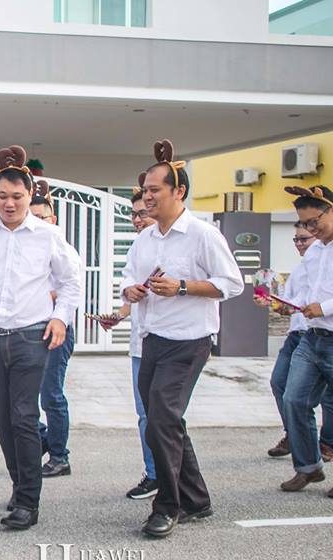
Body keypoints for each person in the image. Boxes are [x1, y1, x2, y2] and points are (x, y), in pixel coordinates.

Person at [0, 145, 80, 530]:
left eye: (17, 197)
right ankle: (20, 482)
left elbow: (71, 281)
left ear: (30, 196)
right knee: (2, 420)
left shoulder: (48, 235)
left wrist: (60, 319)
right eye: (3, 196)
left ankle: (28, 501)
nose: (9, 203)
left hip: (31, 339)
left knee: (24, 417)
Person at [120, 139, 243, 538]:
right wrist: (131, 292)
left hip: (190, 341)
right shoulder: (145, 239)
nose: (147, 197)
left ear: (179, 192)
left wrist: (183, 287)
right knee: (165, 420)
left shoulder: (203, 235)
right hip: (153, 339)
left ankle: (168, 506)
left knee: (160, 421)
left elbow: (232, 284)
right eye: (145, 190)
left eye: (155, 190)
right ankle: (198, 499)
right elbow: (127, 280)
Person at [99, 179, 160, 499]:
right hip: (141, 343)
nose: (138, 219)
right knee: (145, 414)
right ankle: (155, 473)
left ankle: (166, 476)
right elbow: (133, 293)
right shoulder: (139, 247)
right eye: (134, 214)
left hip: (173, 343)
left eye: (143, 213)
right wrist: (119, 315)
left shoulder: (176, 244)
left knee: (162, 415)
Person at [259, 221, 333, 462]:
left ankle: (323, 445)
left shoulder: (324, 256)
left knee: (321, 400)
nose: (300, 244)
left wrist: (321, 308)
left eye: (305, 238)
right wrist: (281, 306)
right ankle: (302, 449)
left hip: (321, 334)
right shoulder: (307, 263)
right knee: (284, 388)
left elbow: (320, 300)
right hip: (301, 335)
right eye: (297, 239)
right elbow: (300, 299)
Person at [280, 185, 333, 498]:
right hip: (311, 337)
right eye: (305, 224)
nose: (311, 229)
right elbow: (307, 290)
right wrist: (294, 303)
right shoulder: (316, 251)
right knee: (293, 399)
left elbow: (323, 300)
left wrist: (324, 308)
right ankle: (308, 466)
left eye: (315, 222)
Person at [28, 180, 78, 478]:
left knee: (51, 396)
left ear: (53, 219)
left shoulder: (62, 247)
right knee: (24, 398)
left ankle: (59, 455)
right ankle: (45, 440)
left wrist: (42, 296)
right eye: (30, 217)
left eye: (41, 217)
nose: (36, 223)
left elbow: (72, 286)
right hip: (30, 331)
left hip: (56, 331)